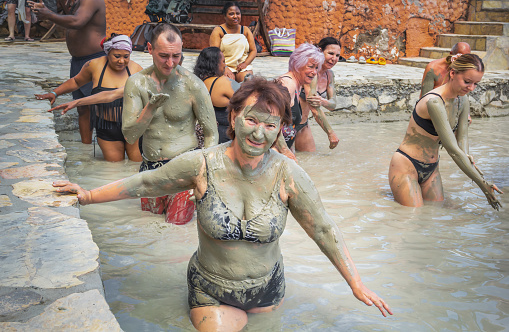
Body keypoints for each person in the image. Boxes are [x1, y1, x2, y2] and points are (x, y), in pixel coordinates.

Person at [53, 77, 393, 331]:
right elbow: (144, 183)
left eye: (270, 125)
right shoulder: (200, 164)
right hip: (211, 289)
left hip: (268, 290)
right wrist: (88, 195)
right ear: (232, 118)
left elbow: (322, 228)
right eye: (252, 119)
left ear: (280, 130)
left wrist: (355, 282)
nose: (259, 133)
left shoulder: (289, 174)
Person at [121, 23, 218, 225]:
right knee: (150, 228)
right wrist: (149, 110)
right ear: (149, 49)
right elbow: (130, 136)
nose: (171, 63)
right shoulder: (137, 83)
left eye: (177, 56)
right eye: (164, 56)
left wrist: (202, 173)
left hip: (184, 170)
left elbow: (211, 134)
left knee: (177, 231)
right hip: (150, 170)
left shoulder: (193, 84)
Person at [388, 53, 502, 209]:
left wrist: (469, 160)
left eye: (476, 84)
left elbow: (462, 142)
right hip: (407, 165)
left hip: (432, 168)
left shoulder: (463, 100)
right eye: (467, 82)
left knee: (435, 215)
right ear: (453, 73)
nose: (471, 88)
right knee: (414, 218)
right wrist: (483, 186)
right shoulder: (434, 102)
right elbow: (453, 150)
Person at [36, 34, 143, 162]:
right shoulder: (94, 65)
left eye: (126, 57)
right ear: (107, 52)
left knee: (136, 167)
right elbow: (76, 82)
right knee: (115, 167)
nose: (121, 61)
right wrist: (54, 93)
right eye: (117, 56)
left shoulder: (136, 69)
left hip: (133, 127)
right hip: (107, 128)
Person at [29, 0, 107, 144]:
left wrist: (49, 14)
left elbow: (77, 21)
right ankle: (86, 147)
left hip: (93, 59)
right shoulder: (79, 0)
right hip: (79, 61)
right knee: (82, 108)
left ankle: (108, 147)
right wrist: (46, 15)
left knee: (95, 106)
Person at [275, 43, 335, 155]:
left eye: (316, 68)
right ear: (298, 64)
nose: (314, 72)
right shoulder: (288, 84)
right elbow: (272, 122)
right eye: (310, 66)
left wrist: (289, 152)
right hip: (273, 151)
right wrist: (284, 150)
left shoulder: (297, 85)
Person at [296, 37, 341, 151]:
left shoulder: (329, 75)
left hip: (303, 126)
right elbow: (314, 108)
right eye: (330, 53)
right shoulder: (310, 72)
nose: (334, 59)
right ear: (320, 51)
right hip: (287, 124)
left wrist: (323, 101)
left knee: (310, 159)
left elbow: (333, 105)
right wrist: (330, 133)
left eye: (337, 56)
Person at [193, 46, 240, 144]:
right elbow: (248, 100)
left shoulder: (198, 83)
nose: (225, 65)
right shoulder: (223, 82)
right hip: (227, 137)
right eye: (223, 62)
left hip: (206, 137)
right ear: (215, 64)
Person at [209, 1, 256, 83]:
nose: (235, 16)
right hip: (224, 66)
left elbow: (253, 50)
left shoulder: (245, 30)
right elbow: (214, 53)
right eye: (231, 14)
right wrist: (225, 68)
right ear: (224, 16)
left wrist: (245, 64)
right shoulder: (219, 31)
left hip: (242, 67)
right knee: (229, 84)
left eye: (238, 13)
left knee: (248, 82)